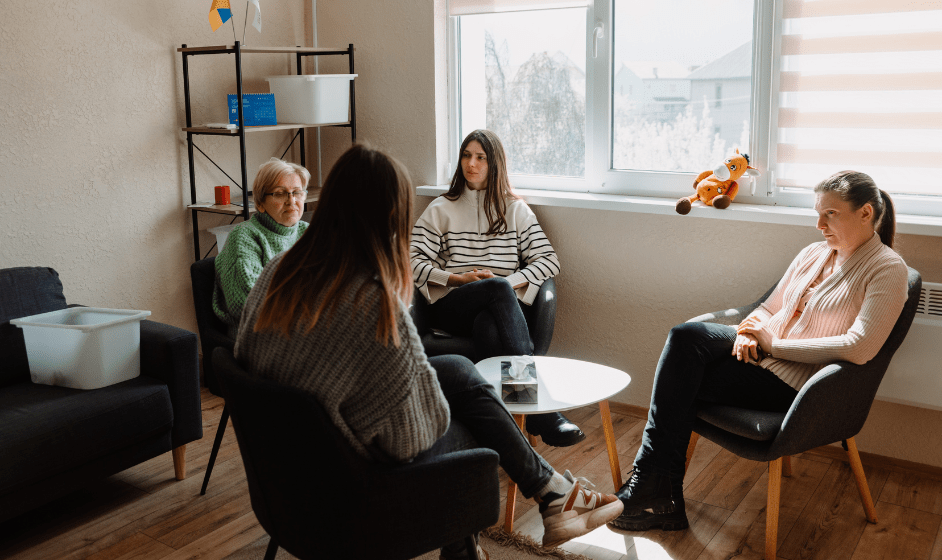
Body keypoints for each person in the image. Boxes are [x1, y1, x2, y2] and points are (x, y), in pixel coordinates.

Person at [235, 143, 623, 557]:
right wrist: (433, 395)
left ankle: (551, 493)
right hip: (349, 478)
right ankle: (503, 524)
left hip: (287, 465)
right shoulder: (373, 302)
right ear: (390, 218)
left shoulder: (280, 270)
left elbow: (248, 354)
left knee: (457, 368)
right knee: (477, 428)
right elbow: (409, 439)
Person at [611, 171, 909, 532]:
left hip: (797, 388)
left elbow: (860, 348)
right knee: (686, 337)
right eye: (818, 213)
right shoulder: (815, 252)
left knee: (680, 377)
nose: (819, 224)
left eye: (830, 214)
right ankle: (656, 488)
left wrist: (773, 344)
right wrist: (749, 333)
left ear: (865, 213)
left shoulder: (887, 269)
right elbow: (768, 308)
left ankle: (654, 487)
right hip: (759, 359)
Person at [410, 129, 584, 448]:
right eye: (466, 155)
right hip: (453, 304)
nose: (471, 164)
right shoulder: (441, 208)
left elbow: (548, 261)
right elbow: (411, 260)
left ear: (495, 164)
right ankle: (541, 414)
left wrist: (507, 282)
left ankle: (500, 429)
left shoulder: (515, 209)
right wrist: (457, 279)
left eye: (480, 157)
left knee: (489, 325)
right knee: (495, 291)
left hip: (499, 310)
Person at [213, 158, 310, 334]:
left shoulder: (308, 233)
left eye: (297, 192)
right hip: (260, 336)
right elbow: (250, 304)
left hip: (306, 325)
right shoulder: (244, 237)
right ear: (260, 204)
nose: (291, 200)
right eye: (280, 193)